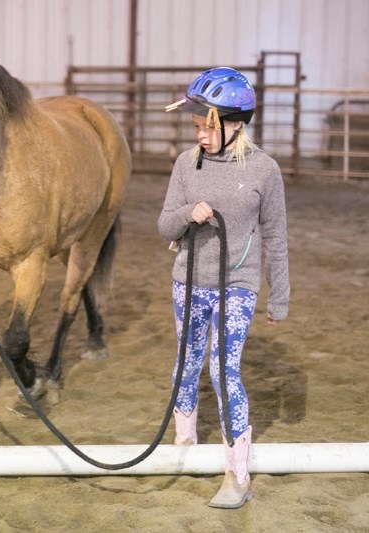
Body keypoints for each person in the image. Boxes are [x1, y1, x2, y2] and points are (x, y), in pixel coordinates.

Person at [160, 67, 290, 509]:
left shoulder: (264, 171)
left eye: (208, 127)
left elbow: (275, 235)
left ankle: (238, 474)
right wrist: (185, 214)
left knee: (222, 368)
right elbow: (163, 224)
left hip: (238, 282)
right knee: (187, 362)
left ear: (236, 124)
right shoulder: (185, 164)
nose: (200, 135)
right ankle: (185, 444)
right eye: (196, 127)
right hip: (189, 280)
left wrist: (280, 295)